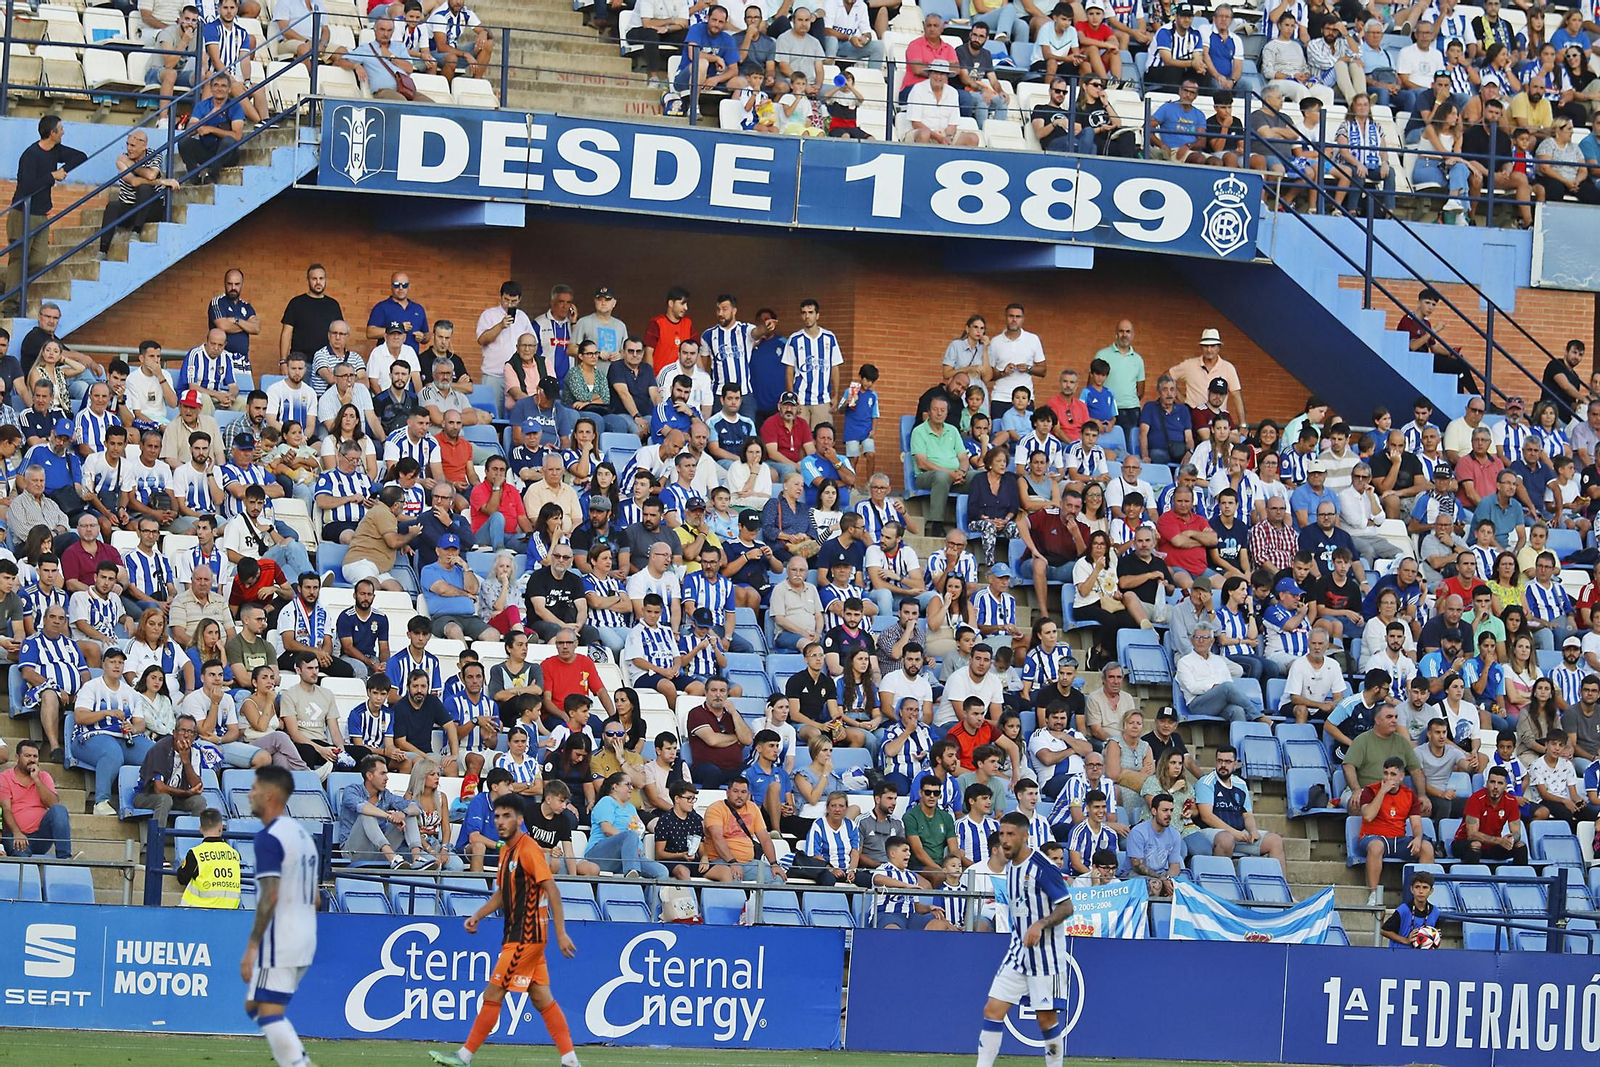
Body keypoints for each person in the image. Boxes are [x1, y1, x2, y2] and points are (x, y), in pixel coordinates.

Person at [428, 793, 580, 1067]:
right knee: (542, 998)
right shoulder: (506, 851)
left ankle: (464, 1056)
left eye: (506, 816)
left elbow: (552, 890)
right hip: (523, 935)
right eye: (497, 816)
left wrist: (560, 932)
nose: (500, 821)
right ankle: (570, 1060)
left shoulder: (529, 849)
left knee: (493, 994)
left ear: (519, 820)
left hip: (526, 937)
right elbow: (502, 893)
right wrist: (478, 915)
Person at [973, 812, 1075, 1067]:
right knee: (992, 1010)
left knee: (1045, 1019)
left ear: (1025, 836)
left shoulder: (1043, 868)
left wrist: (1041, 923)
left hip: (1045, 956)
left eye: (1011, 834)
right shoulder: (1010, 867)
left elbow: (1067, 907)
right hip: (1018, 952)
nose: (1005, 840)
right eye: (1002, 834)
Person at [240, 765, 320, 1067]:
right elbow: (316, 898)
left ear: (270, 795)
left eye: (255, 789)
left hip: (281, 937)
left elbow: (270, 896)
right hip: (306, 936)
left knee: (268, 1011)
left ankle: (299, 1064)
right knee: (254, 1005)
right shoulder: (303, 836)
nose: (250, 795)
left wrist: (252, 946)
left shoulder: (268, 837)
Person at [1357, 756, 1435, 907]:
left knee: (1426, 847)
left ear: (1401, 777)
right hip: (1373, 836)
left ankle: (1423, 899)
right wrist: (1382, 791)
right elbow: (1368, 816)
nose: (1388, 778)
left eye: (1393, 774)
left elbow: (1416, 824)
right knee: (1376, 846)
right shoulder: (1370, 790)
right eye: (1385, 773)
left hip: (1398, 839)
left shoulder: (1409, 794)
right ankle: (1373, 894)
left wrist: (1418, 838)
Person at [0, 739, 71, 857]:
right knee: (23, 858)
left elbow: (53, 804)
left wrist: (37, 780)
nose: (32, 760)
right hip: (15, 836)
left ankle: (65, 858)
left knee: (59, 810)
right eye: (27, 756)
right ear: (17, 758)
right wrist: (17, 833)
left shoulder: (44, 777)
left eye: (35, 756)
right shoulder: (4, 777)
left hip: (40, 837)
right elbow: (6, 809)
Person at [1450, 764, 1528, 863]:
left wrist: (1511, 840)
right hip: (1464, 843)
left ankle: (1519, 873)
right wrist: (1500, 841)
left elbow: (1517, 833)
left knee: (1520, 846)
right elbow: (1472, 835)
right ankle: (1471, 873)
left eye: (1500, 783)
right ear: (1487, 784)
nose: (1495, 787)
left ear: (1505, 786)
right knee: (1476, 845)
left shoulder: (1511, 801)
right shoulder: (1475, 799)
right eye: (1492, 782)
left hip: (1492, 846)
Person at [176, 807, 242, 909]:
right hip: (230, 911)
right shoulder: (234, 854)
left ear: (201, 829)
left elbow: (182, 878)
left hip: (198, 911)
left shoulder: (195, 853)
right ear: (221, 828)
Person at [1379, 869, 1442, 948]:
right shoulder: (1403, 910)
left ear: (1431, 891)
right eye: (1417, 887)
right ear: (1412, 889)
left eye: (1425, 887)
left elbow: (1435, 934)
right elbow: (1384, 931)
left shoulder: (1435, 912)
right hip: (1400, 952)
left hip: (1423, 954)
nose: (1421, 891)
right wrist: (1405, 940)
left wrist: (1436, 936)